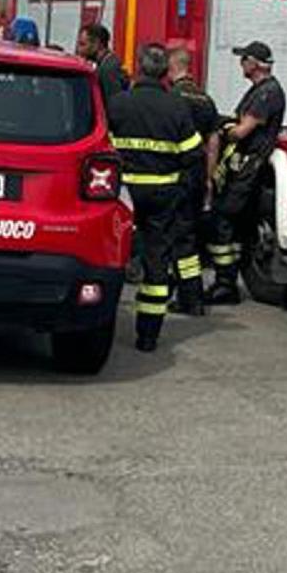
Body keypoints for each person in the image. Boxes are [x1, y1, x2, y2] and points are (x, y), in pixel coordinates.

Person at [106, 43, 202, 353]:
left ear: (138, 67)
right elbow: (193, 154)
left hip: (123, 195)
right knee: (156, 263)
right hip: (163, 196)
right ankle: (148, 335)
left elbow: (101, 147)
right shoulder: (176, 107)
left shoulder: (118, 104)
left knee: (110, 255)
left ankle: (102, 317)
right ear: (165, 72)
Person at [205, 41, 286, 304]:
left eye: (244, 60)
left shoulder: (267, 93)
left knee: (223, 220)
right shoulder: (259, 91)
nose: (241, 64)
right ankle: (227, 279)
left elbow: (241, 131)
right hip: (241, 168)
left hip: (248, 170)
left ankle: (225, 283)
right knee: (233, 223)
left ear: (254, 63)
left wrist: (224, 127)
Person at [164, 42, 222, 315]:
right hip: (199, 175)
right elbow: (213, 143)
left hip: (177, 175)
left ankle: (190, 296)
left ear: (172, 67)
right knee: (190, 235)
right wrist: (209, 178)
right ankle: (190, 293)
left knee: (180, 238)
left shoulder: (172, 98)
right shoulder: (206, 99)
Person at [77, 22, 130, 98]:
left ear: (97, 44)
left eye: (83, 44)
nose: (79, 50)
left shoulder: (108, 69)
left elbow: (112, 102)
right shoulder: (108, 64)